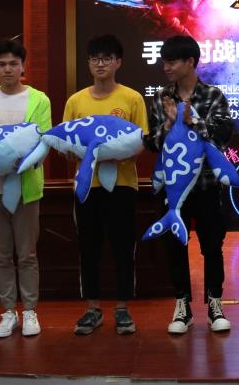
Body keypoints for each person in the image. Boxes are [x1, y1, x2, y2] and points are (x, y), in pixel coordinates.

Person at [145, 35, 234, 334]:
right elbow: (153, 143)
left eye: (172, 62)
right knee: (175, 246)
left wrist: (193, 121)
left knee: (212, 245)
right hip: (173, 189)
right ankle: (182, 305)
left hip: (207, 185)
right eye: (164, 62)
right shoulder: (161, 98)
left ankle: (215, 304)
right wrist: (170, 123)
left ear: (190, 62)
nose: (166, 67)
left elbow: (223, 136)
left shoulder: (212, 95)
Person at [64, 34, 148, 336]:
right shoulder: (76, 101)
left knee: (123, 247)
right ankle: (92, 309)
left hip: (123, 185)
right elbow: (67, 143)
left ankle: (123, 308)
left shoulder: (132, 98)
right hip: (87, 186)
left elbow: (141, 141)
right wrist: (74, 151)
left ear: (118, 62)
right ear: (88, 63)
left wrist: (118, 154)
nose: (100, 64)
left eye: (107, 58)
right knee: (89, 248)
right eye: (95, 58)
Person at [0, 39, 52, 338]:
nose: (7, 69)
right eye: (2, 64)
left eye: (13, 64)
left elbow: (43, 142)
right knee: (1, 254)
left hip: (26, 186)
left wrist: (20, 161)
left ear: (22, 66)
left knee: (27, 253)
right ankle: (8, 312)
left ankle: (29, 310)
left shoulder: (39, 99)